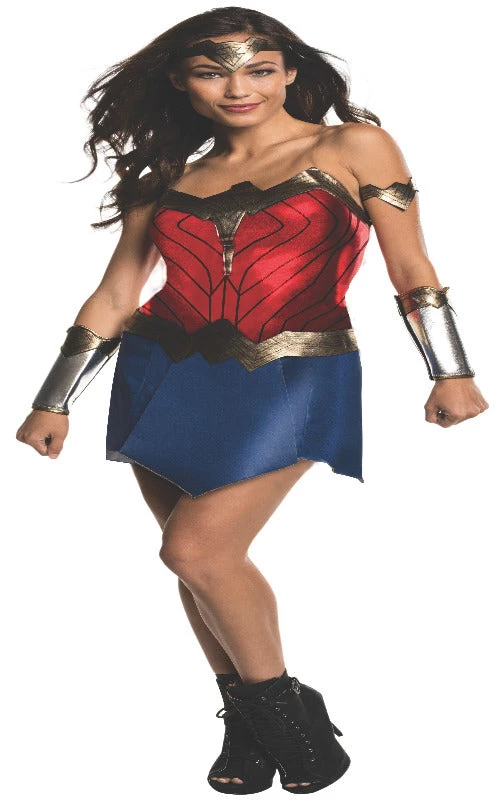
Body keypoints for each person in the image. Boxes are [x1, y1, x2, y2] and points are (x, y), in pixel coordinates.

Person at [15, 5, 488, 795]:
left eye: (260, 70)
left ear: (290, 72)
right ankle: (247, 721)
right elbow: (118, 293)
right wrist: (54, 399)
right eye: (213, 72)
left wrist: (451, 370)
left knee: (195, 549)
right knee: (201, 566)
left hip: (295, 371)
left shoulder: (351, 147)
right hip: (161, 372)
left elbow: (412, 265)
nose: (240, 89)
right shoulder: (164, 175)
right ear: (181, 80)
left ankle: (290, 717)